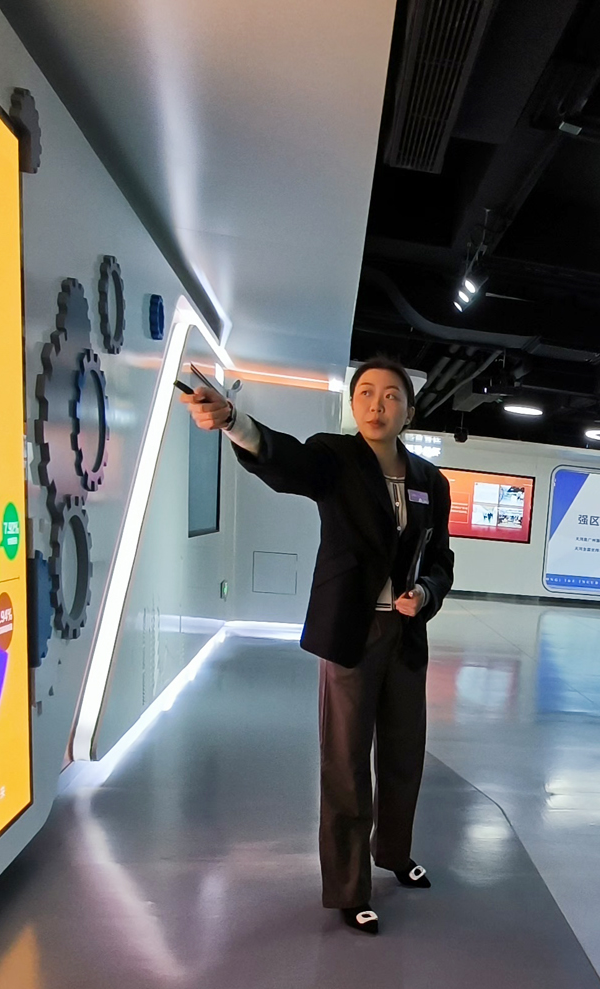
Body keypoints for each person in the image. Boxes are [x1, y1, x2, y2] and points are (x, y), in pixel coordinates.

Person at [181, 357, 455, 935]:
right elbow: (286, 461)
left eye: (391, 396)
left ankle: (394, 853)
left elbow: (440, 558)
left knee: (404, 754)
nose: (377, 405)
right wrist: (233, 421)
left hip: (406, 635)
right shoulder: (336, 457)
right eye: (366, 393)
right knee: (346, 762)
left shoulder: (431, 481)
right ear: (353, 405)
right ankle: (350, 887)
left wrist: (427, 592)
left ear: (409, 410)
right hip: (351, 631)